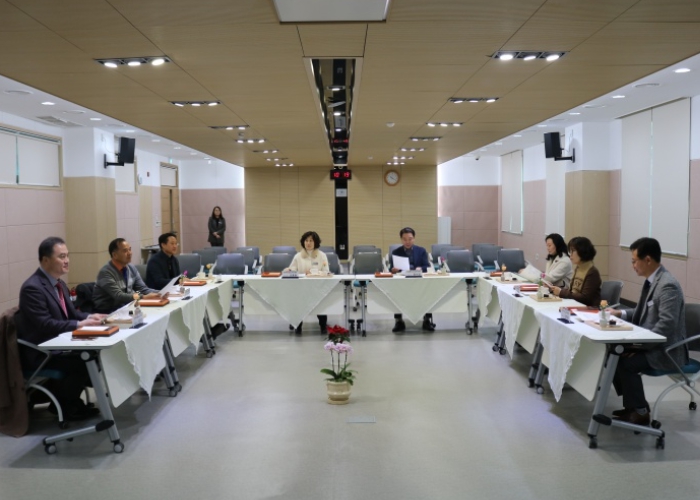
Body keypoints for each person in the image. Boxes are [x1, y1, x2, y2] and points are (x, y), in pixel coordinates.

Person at [15, 237, 106, 420]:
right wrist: (79, 325)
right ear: (45, 260)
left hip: (59, 345)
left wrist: (90, 317)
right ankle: (64, 406)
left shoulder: (59, 284)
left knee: (93, 355)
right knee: (82, 361)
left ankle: (69, 401)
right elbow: (45, 324)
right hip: (41, 352)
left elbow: (71, 314)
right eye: (61, 257)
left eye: (67, 256)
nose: (67, 261)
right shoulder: (32, 288)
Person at [608, 237, 688, 425]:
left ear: (648, 260)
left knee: (626, 361)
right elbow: (643, 311)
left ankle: (641, 411)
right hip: (653, 343)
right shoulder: (652, 281)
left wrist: (638, 346)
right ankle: (632, 406)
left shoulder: (667, 285)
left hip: (666, 350)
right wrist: (620, 313)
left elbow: (666, 325)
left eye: (634, 261)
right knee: (614, 353)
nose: (633, 266)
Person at [92, 238, 162, 314]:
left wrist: (161, 293)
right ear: (114, 255)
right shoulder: (106, 272)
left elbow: (142, 289)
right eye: (125, 251)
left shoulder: (131, 267)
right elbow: (119, 296)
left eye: (130, 249)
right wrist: (142, 297)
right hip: (108, 311)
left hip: (127, 306)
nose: (130, 253)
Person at [390, 227, 434, 333]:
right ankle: (399, 321)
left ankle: (427, 320)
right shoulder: (396, 252)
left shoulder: (421, 250)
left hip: (419, 280)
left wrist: (420, 268)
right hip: (402, 282)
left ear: (414, 238)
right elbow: (391, 268)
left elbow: (426, 266)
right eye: (405, 239)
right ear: (401, 239)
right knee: (396, 293)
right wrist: (393, 269)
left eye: (410, 239)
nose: (407, 242)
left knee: (427, 292)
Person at [286, 231, 330, 335]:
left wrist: (314, 273)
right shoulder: (298, 256)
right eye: (306, 240)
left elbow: (326, 271)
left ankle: (323, 325)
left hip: (317, 287)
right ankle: (298, 325)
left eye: (311, 240)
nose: (308, 243)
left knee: (321, 304)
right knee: (298, 301)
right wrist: (289, 270)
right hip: (301, 287)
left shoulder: (322, 256)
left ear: (316, 242)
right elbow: (292, 270)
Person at [547, 236, 601, 307]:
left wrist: (561, 292)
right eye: (570, 251)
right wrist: (556, 289)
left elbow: (585, 298)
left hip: (588, 309)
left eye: (573, 251)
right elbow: (572, 291)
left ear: (582, 251)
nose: (570, 254)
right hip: (575, 305)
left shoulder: (592, 272)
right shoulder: (578, 268)